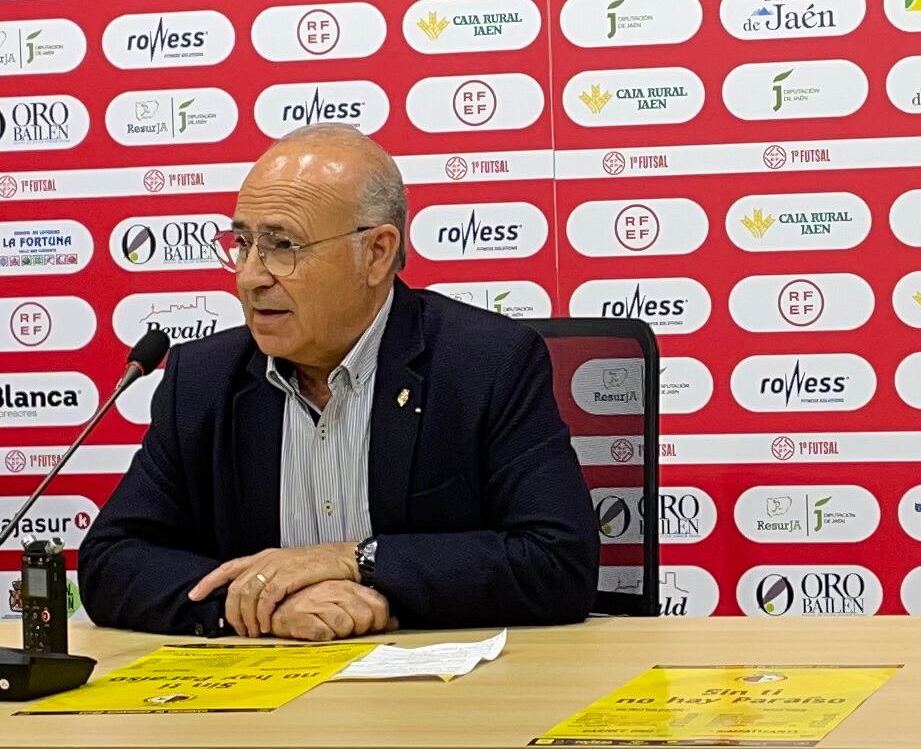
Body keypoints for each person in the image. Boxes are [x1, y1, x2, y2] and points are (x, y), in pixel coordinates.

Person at [76, 128, 597, 638]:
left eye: (283, 246)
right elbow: (111, 561)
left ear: (376, 254)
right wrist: (264, 605)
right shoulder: (203, 381)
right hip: (261, 690)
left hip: (434, 694)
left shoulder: (485, 364)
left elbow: (557, 561)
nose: (251, 276)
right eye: (243, 243)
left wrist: (355, 562)